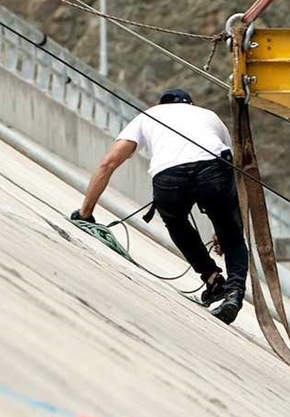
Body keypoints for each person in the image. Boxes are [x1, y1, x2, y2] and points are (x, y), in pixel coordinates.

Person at [71, 89, 247, 324]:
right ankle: (234, 292)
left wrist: (85, 213)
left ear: (161, 103)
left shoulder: (150, 114)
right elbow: (232, 170)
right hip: (213, 170)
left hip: (169, 174)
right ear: (191, 104)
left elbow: (107, 164)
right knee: (232, 235)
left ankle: (212, 278)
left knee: (176, 222)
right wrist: (226, 226)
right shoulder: (209, 116)